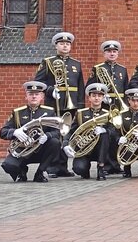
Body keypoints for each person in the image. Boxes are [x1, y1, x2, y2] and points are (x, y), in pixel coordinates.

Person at [35, 31, 84, 177]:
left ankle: (63, 167)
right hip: (54, 103)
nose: (65, 46)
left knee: (67, 133)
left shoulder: (76, 64)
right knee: (55, 134)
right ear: (56, 45)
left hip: (71, 104)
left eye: (67, 44)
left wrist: (80, 105)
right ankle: (52, 167)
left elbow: (81, 86)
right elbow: (38, 82)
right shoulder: (48, 61)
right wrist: (50, 90)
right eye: (62, 43)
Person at [0, 81, 62, 183]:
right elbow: (3, 132)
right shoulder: (17, 112)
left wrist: (47, 136)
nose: (34, 97)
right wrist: (15, 132)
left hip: (40, 151)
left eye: (37, 94)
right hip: (21, 151)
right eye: (31, 94)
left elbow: (57, 132)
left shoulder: (49, 111)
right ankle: (21, 171)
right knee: (8, 166)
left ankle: (40, 173)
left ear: (42, 97)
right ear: (26, 97)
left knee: (55, 143)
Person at [86, 40, 129, 174]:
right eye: (109, 51)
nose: (112, 53)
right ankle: (106, 165)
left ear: (117, 53)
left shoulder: (122, 69)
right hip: (104, 107)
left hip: (119, 106)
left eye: (114, 51)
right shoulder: (98, 68)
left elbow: (126, 88)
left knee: (118, 135)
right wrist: (102, 97)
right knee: (107, 136)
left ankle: (116, 164)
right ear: (104, 53)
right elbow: (89, 86)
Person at [63, 83, 115, 181]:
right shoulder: (80, 113)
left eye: (99, 96)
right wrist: (66, 144)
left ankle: (101, 167)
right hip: (84, 149)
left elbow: (113, 132)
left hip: (101, 150)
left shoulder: (107, 114)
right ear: (89, 98)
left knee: (104, 134)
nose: (96, 98)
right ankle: (85, 169)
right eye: (94, 95)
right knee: (79, 169)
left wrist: (105, 130)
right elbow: (71, 131)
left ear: (103, 98)